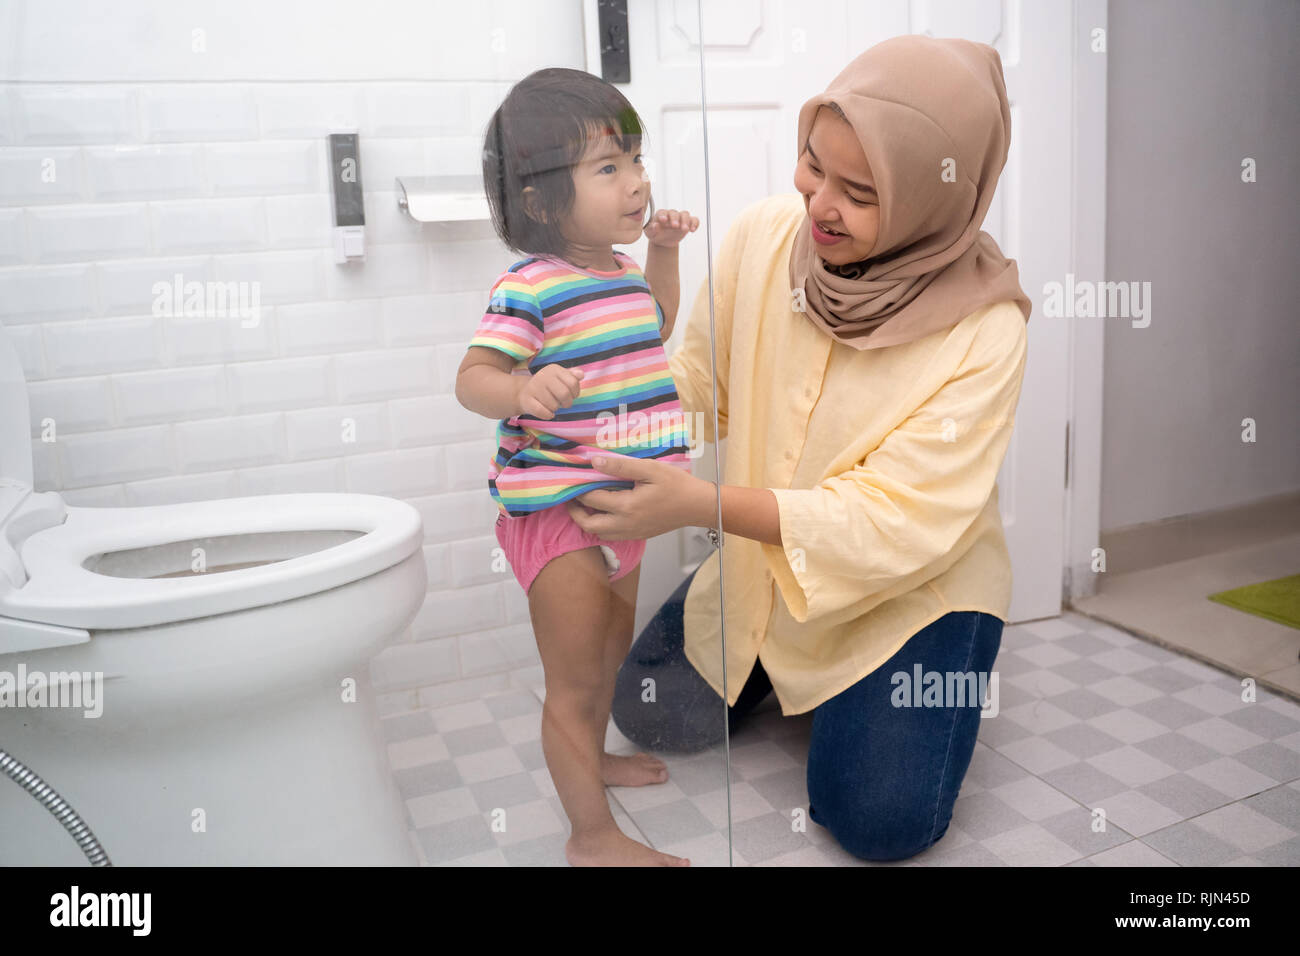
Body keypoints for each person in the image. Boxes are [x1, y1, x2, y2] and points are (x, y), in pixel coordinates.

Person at [564, 35, 1034, 862]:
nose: (820, 204)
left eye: (862, 192)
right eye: (813, 164)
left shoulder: (985, 331)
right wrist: (592, 416)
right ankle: (787, 670)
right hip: (765, 561)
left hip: (907, 591)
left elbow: (891, 520)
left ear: (934, 197)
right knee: (648, 712)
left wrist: (704, 507)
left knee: (877, 823)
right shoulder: (765, 238)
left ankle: (903, 678)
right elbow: (701, 389)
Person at [455, 67, 702, 867]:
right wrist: (523, 388)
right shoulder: (529, 288)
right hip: (556, 509)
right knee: (573, 678)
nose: (636, 182)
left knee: (607, 656)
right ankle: (589, 837)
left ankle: (591, 764)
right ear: (540, 198)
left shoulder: (622, 275)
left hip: (624, 505)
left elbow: (656, 324)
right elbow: (472, 379)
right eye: (609, 168)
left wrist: (662, 252)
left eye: (635, 161)